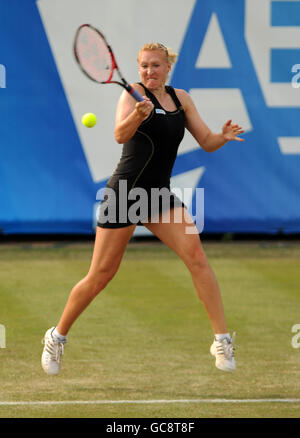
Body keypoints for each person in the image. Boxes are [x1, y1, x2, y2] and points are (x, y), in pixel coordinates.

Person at [41, 42, 244, 375]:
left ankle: (221, 340)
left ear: (167, 67)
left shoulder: (182, 99)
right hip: (124, 193)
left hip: (159, 196)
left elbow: (206, 142)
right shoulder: (132, 95)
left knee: (196, 257)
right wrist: (137, 115)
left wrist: (221, 136)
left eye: (155, 65)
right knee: (100, 276)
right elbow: (120, 136)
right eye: (144, 66)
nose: (149, 71)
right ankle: (57, 335)